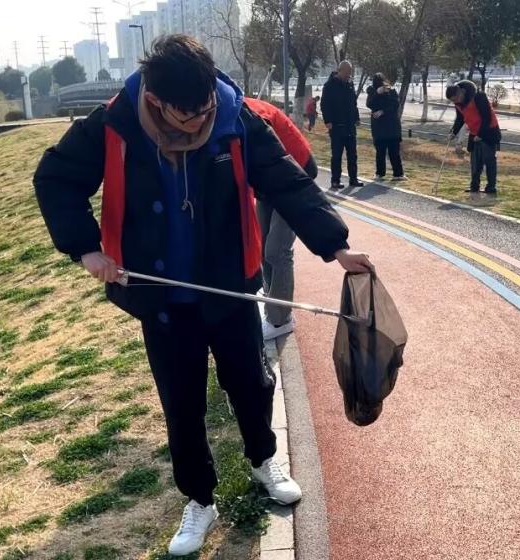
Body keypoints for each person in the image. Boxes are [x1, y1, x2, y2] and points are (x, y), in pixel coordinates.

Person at [33, 35, 373, 557]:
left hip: (229, 283)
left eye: (205, 108)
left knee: (251, 384)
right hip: (161, 296)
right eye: (186, 114)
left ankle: (264, 460)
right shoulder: (115, 122)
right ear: (155, 99)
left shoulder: (236, 117)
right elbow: (55, 178)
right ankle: (199, 499)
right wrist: (86, 249)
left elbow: (287, 182)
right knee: (182, 402)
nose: (198, 122)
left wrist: (337, 246)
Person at [241, 96, 318, 341]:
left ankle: (280, 319)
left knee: (277, 250)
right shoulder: (225, 112)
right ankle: (272, 301)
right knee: (263, 245)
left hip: (294, 175)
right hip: (267, 182)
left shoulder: (249, 116)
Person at [446, 80, 501, 195]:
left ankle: (491, 188)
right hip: (474, 132)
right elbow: (460, 118)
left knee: (489, 161)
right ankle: (474, 187)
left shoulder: (479, 96)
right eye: (453, 101)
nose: (455, 102)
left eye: (456, 99)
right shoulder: (458, 103)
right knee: (475, 163)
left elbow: (486, 117)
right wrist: (454, 132)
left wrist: (480, 134)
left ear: (461, 92)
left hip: (489, 132)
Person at [321, 60, 363, 189]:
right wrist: (327, 121)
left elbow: (353, 104)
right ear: (340, 70)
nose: (348, 75)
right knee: (337, 155)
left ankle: (353, 178)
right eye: (347, 72)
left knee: (352, 155)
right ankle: (335, 180)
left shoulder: (350, 85)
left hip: (350, 125)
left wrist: (356, 118)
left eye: (350, 73)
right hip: (336, 126)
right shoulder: (330, 85)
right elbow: (324, 104)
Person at [365, 73, 405, 182]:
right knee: (380, 152)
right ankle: (380, 173)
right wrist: (377, 93)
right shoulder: (372, 91)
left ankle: (398, 174)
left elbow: (395, 105)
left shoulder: (391, 90)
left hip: (391, 126)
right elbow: (369, 104)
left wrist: (383, 111)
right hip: (379, 128)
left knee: (394, 151)